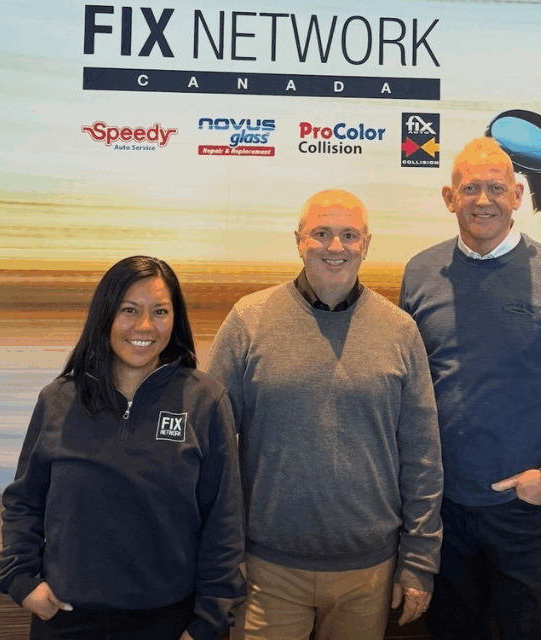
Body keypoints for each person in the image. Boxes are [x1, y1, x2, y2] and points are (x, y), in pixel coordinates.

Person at [399, 137, 541, 640]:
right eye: (470, 188)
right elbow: (407, 391)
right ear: (449, 198)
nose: (483, 200)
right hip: (443, 514)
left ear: (518, 195)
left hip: (527, 514)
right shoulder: (419, 275)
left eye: (496, 188)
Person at [207, 189, 443, 640]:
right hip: (266, 570)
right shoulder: (248, 320)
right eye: (321, 233)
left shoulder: (400, 330)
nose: (336, 247)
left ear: (366, 245)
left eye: (349, 235)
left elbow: (423, 456)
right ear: (299, 241)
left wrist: (419, 560)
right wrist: (221, 548)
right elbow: (210, 447)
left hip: (369, 573)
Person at [0, 256, 246, 640]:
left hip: (169, 622)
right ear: (106, 315)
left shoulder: (205, 401)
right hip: (66, 617)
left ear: (175, 319)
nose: (144, 326)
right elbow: (24, 501)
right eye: (129, 310)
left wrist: (208, 622)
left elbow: (223, 520)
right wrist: (21, 580)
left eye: (160, 311)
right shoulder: (59, 399)